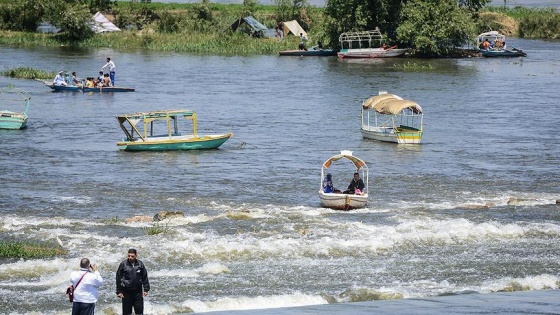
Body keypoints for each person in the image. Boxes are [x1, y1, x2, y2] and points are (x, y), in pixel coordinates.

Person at [116, 248, 150, 315]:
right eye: (129, 256)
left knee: (139, 312)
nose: (130, 257)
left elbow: (144, 277)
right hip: (126, 292)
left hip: (138, 292)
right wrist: (119, 291)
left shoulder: (140, 264)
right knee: (127, 313)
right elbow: (118, 278)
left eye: (132, 256)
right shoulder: (123, 264)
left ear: (136, 256)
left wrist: (146, 289)